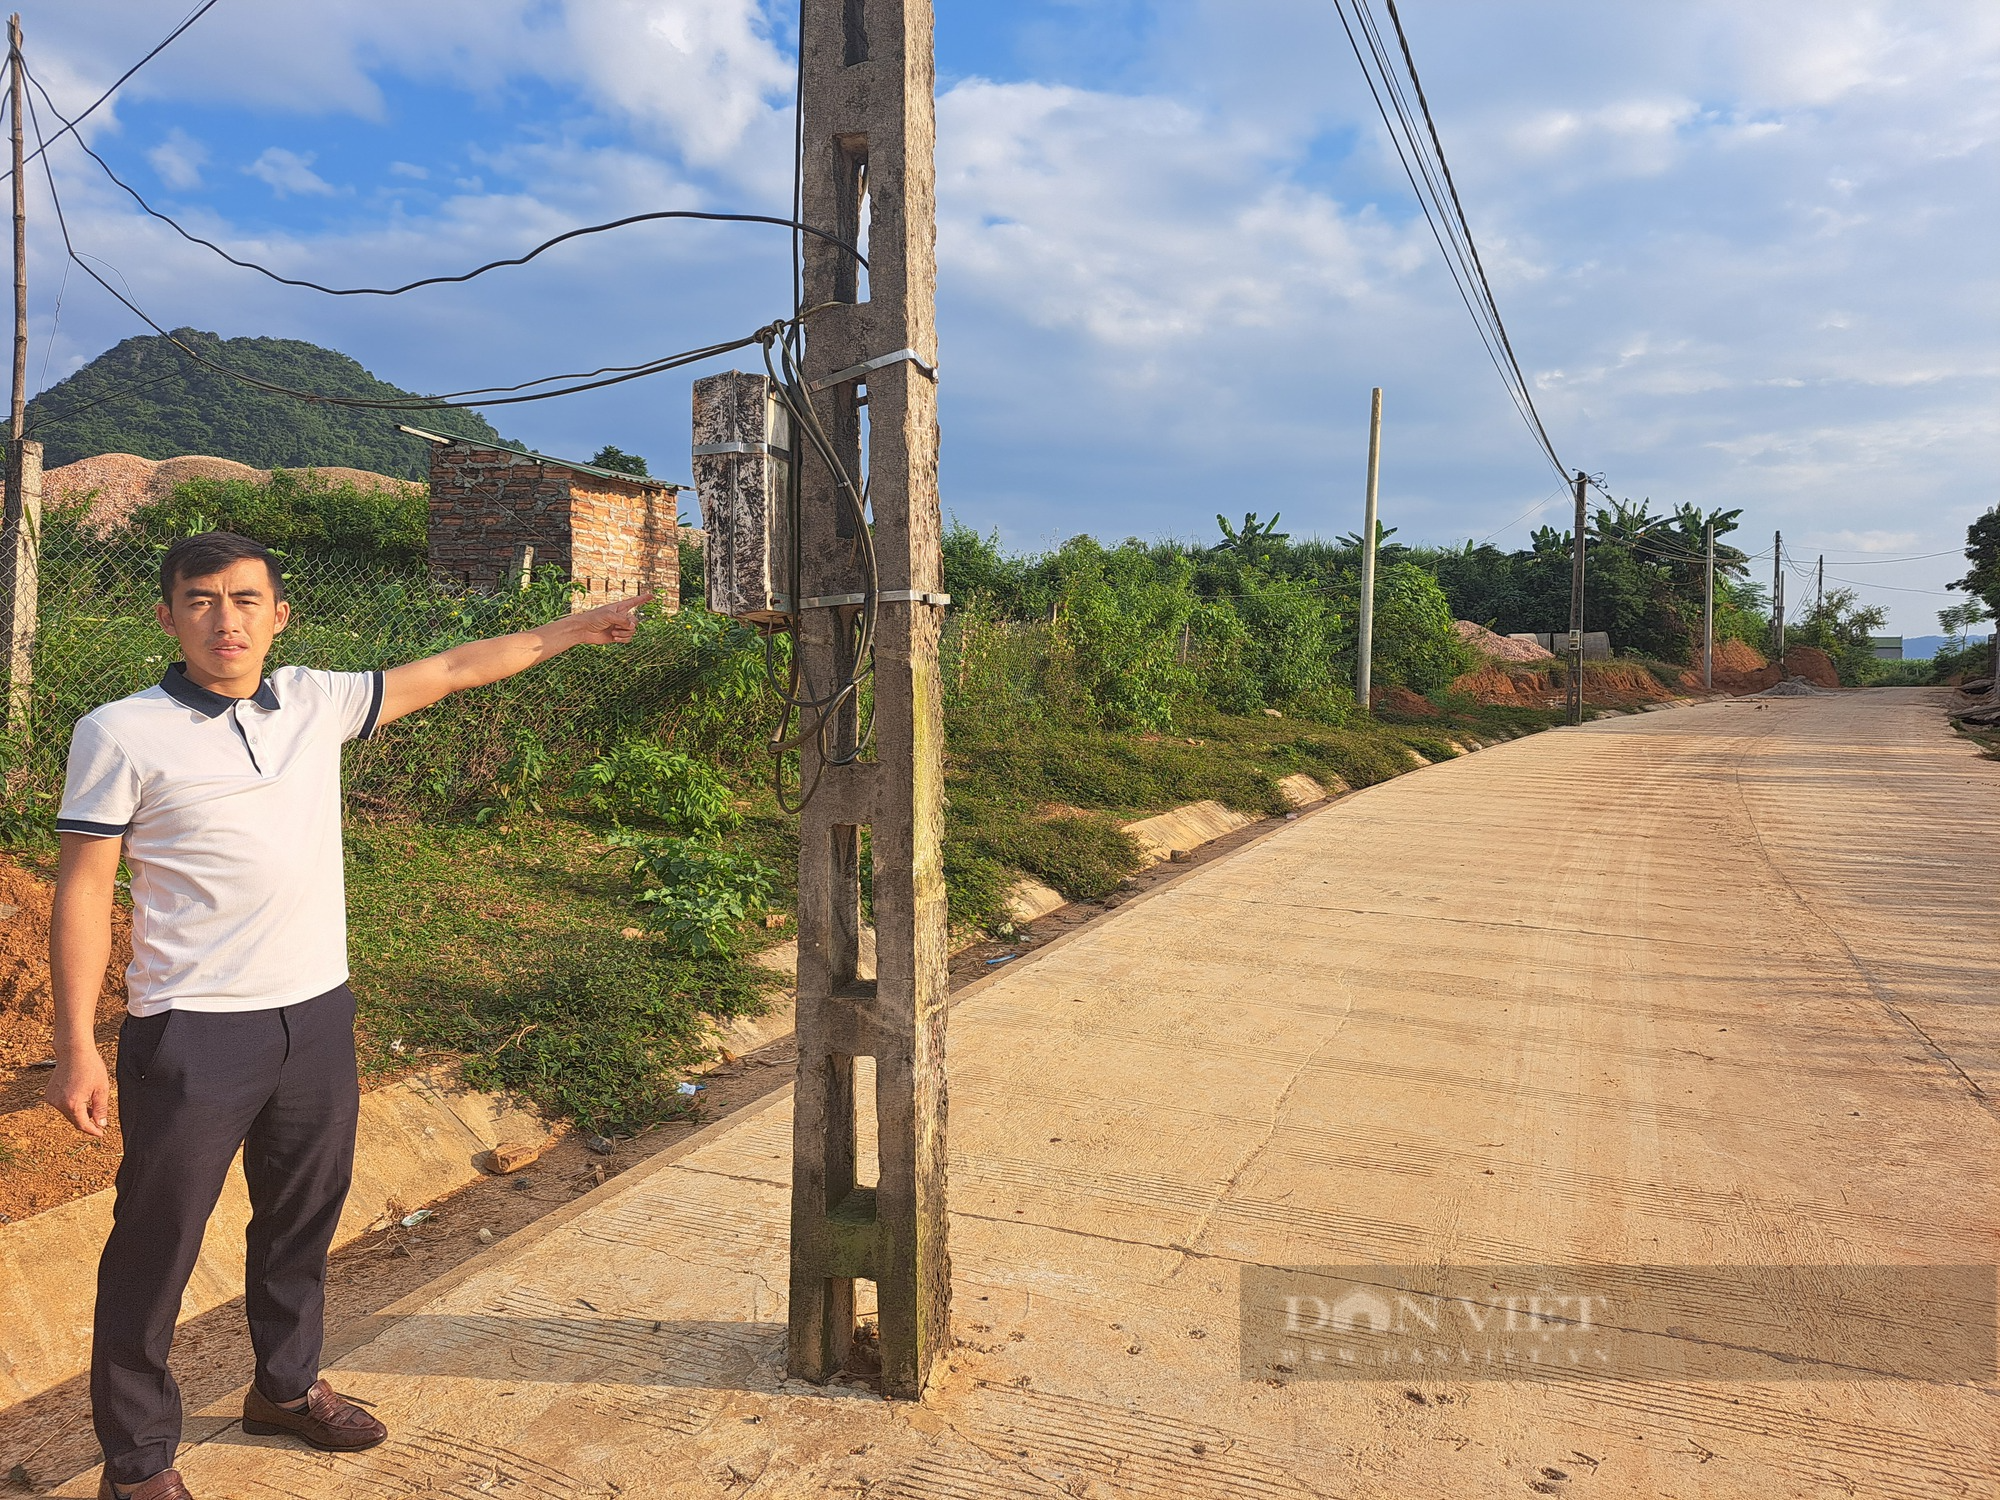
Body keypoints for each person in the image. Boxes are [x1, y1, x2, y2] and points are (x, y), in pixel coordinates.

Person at [42, 531, 653, 1500]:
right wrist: (76, 1043)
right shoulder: (120, 732)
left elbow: (453, 669)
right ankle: (139, 1459)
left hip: (316, 1016)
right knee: (158, 1244)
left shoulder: (313, 701)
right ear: (165, 617)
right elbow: (82, 892)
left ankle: (284, 1386)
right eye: (200, 600)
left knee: (301, 1219)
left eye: (246, 600)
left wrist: (573, 630)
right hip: (193, 1031)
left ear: (279, 616)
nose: (225, 619)